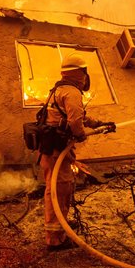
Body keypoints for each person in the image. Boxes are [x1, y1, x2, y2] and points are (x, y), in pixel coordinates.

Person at [40, 54, 114, 251]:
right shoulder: (72, 92)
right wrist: (80, 134)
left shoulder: (58, 89)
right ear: (78, 73)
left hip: (51, 150)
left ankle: (58, 226)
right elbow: (74, 122)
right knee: (60, 189)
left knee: (55, 189)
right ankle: (56, 238)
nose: (85, 77)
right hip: (58, 150)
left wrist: (98, 124)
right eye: (84, 72)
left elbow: (77, 116)